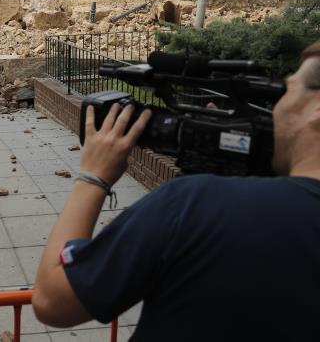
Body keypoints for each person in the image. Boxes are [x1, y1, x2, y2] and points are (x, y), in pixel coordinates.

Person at [32, 41, 320, 341]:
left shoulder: (192, 205)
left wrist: (92, 176)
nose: (278, 108)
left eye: (287, 92)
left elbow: (53, 300)